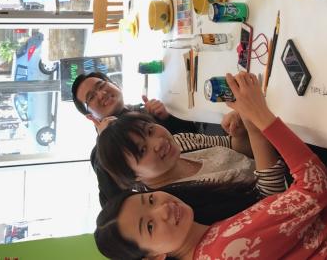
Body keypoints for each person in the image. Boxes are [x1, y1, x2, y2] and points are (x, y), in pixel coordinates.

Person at [93, 71, 327, 259]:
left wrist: (248, 123)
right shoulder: (221, 248)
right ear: (154, 258)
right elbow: (315, 187)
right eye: (149, 226)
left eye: (150, 203)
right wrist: (260, 115)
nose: (162, 210)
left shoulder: (204, 236)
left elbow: (299, 222)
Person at [71, 71, 224, 206]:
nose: (101, 94)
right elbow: (112, 206)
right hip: (200, 194)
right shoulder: (101, 154)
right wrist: (105, 140)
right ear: (89, 116)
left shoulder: (142, 111)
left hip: (214, 156)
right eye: (91, 97)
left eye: (101, 85)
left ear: (115, 84)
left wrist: (167, 117)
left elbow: (191, 135)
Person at [97, 111, 287, 202]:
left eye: (150, 130)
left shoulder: (180, 143)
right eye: (142, 150)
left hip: (284, 158)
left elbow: (238, 150)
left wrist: (239, 133)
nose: (158, 142)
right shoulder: (176, 202)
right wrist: (255, 131)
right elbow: (271, 202)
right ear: (134, 176)